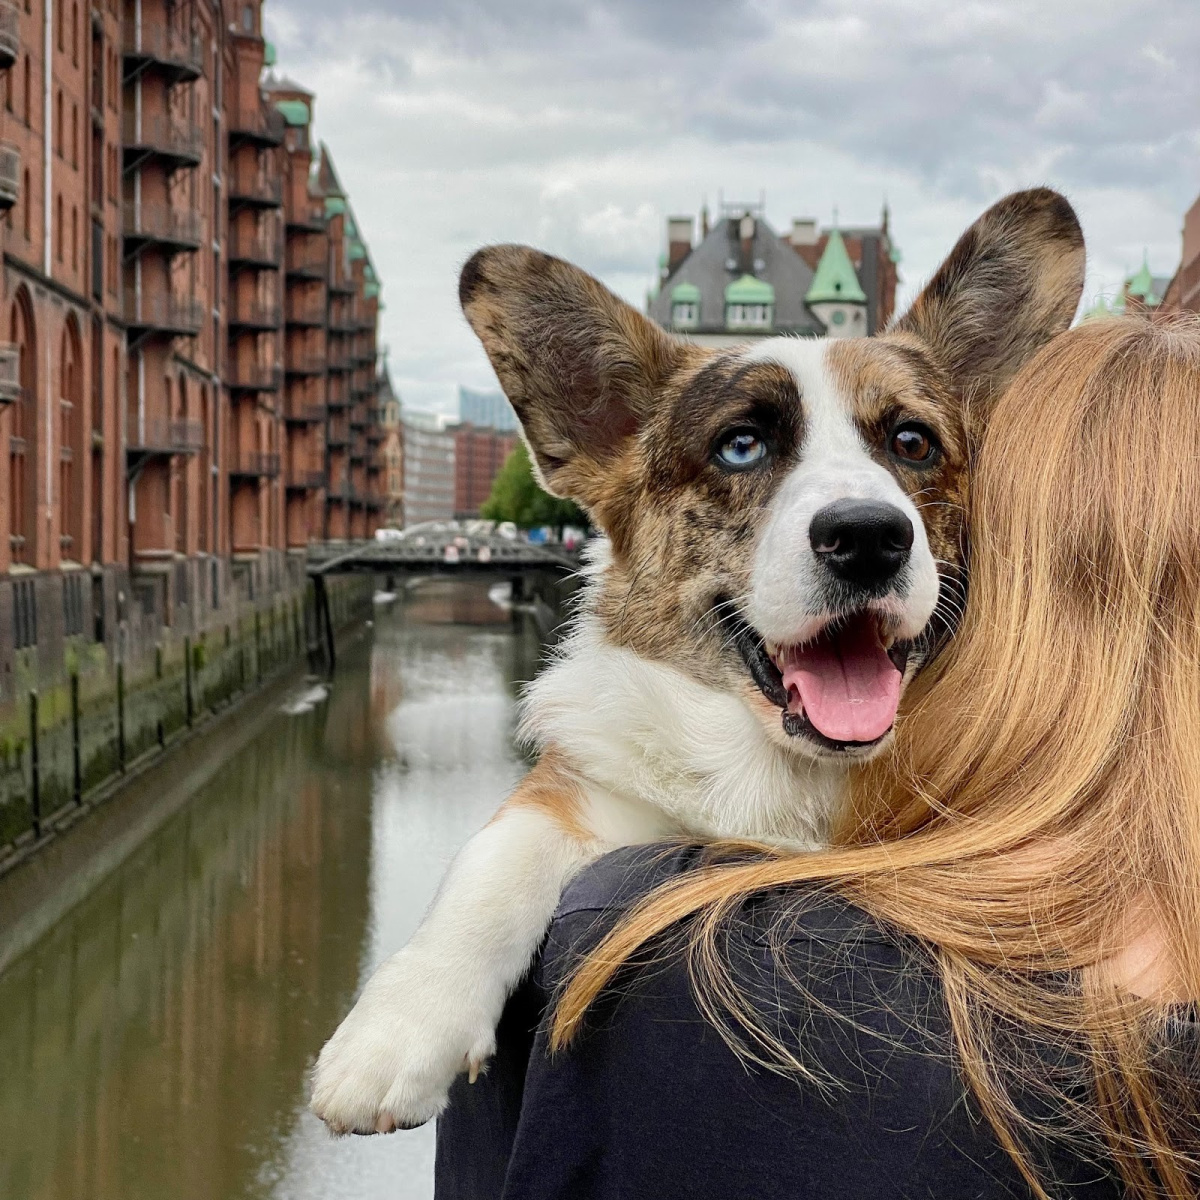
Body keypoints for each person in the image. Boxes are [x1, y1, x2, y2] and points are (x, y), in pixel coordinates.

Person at [435, 316, 1200, 1200]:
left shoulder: (605, 940)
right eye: (743, 445)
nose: (869, 510)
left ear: (997, 556)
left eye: (912, 447)